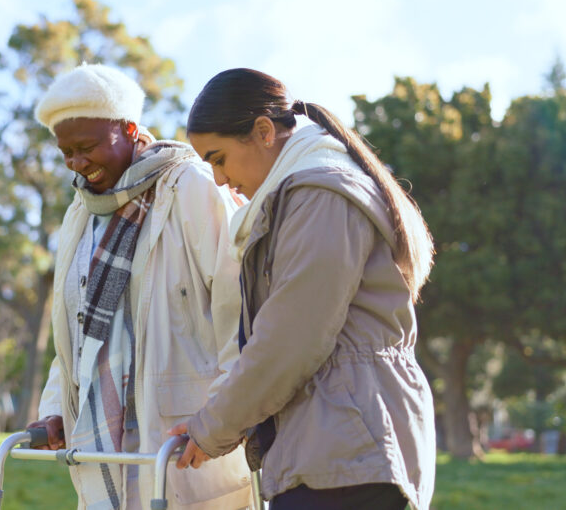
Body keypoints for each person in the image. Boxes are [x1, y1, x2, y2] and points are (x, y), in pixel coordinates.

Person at [168, 68, 437, 510]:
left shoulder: (320, 196)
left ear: (263, 131)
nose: (217, 179)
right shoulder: (306, 192)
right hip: (340, 446)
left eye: (219, 158)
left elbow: (290, 338)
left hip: (349, 450)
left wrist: (213, 427)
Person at [27, 64, 255, 510]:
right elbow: (72, 330)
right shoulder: (81, 211)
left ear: (130, 130)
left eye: (87, 147)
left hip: (184, 437)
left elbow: (239, 310)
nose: (77, 164)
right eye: (66, 152)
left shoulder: (190, 186)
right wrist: (53, 408)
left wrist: (224, 418)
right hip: (106, 443)